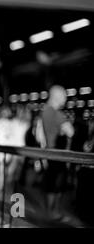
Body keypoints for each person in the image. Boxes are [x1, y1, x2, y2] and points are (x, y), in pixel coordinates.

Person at [41, 85, 74, 220]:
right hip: (59, 154)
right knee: (57, 184)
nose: (65, 99)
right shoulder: (57, 113)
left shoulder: (44, 111)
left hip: (48, 152)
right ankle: (54, 213)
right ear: (58, 96)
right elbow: (71, 132)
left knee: (51, 183)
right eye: (64, 96)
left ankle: (50, 212)